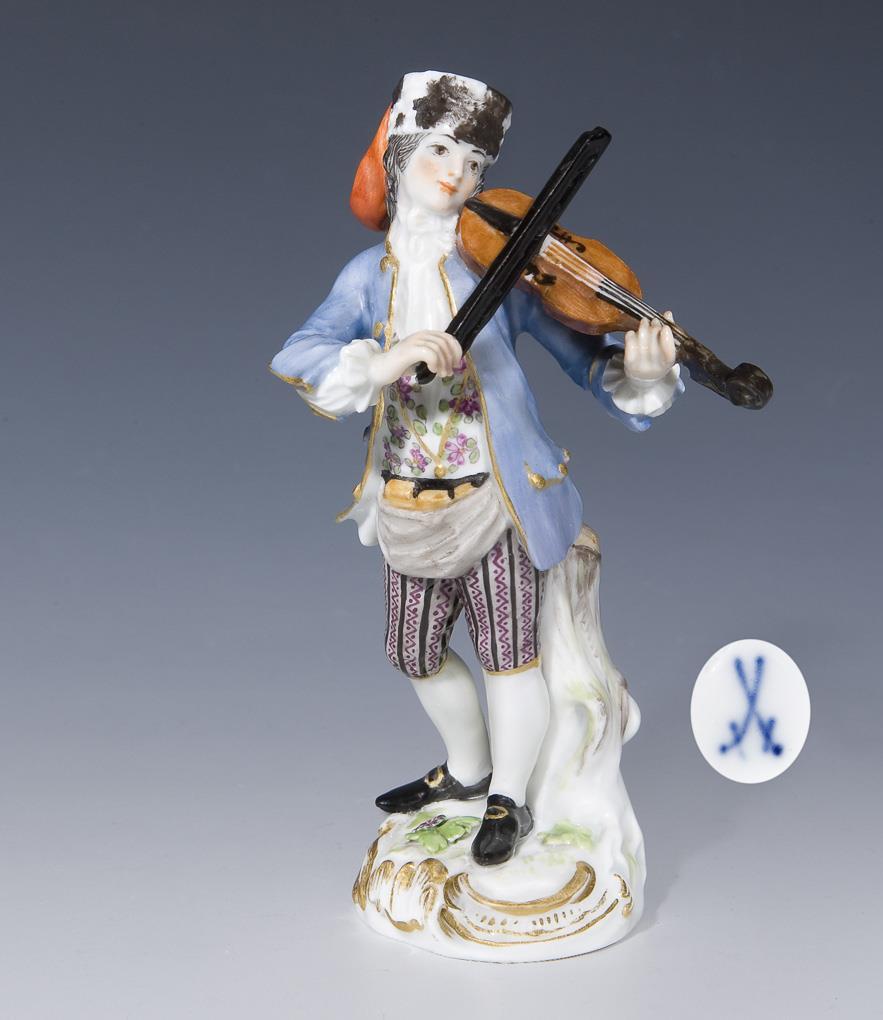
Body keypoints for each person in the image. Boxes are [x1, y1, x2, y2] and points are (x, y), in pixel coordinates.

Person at [271, 71, 680, 866]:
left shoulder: (505, 272)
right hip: (406, 500)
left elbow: (587, 362)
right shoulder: (368, 277)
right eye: (438, 150)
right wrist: (384, 360)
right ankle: (468, 769)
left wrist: (643, 372)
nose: (456, 173)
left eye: (475, 163)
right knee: (412, 651)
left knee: (508, 654)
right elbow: (300, 352)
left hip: (497, 498)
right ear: (398, 158)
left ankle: (510, 798)